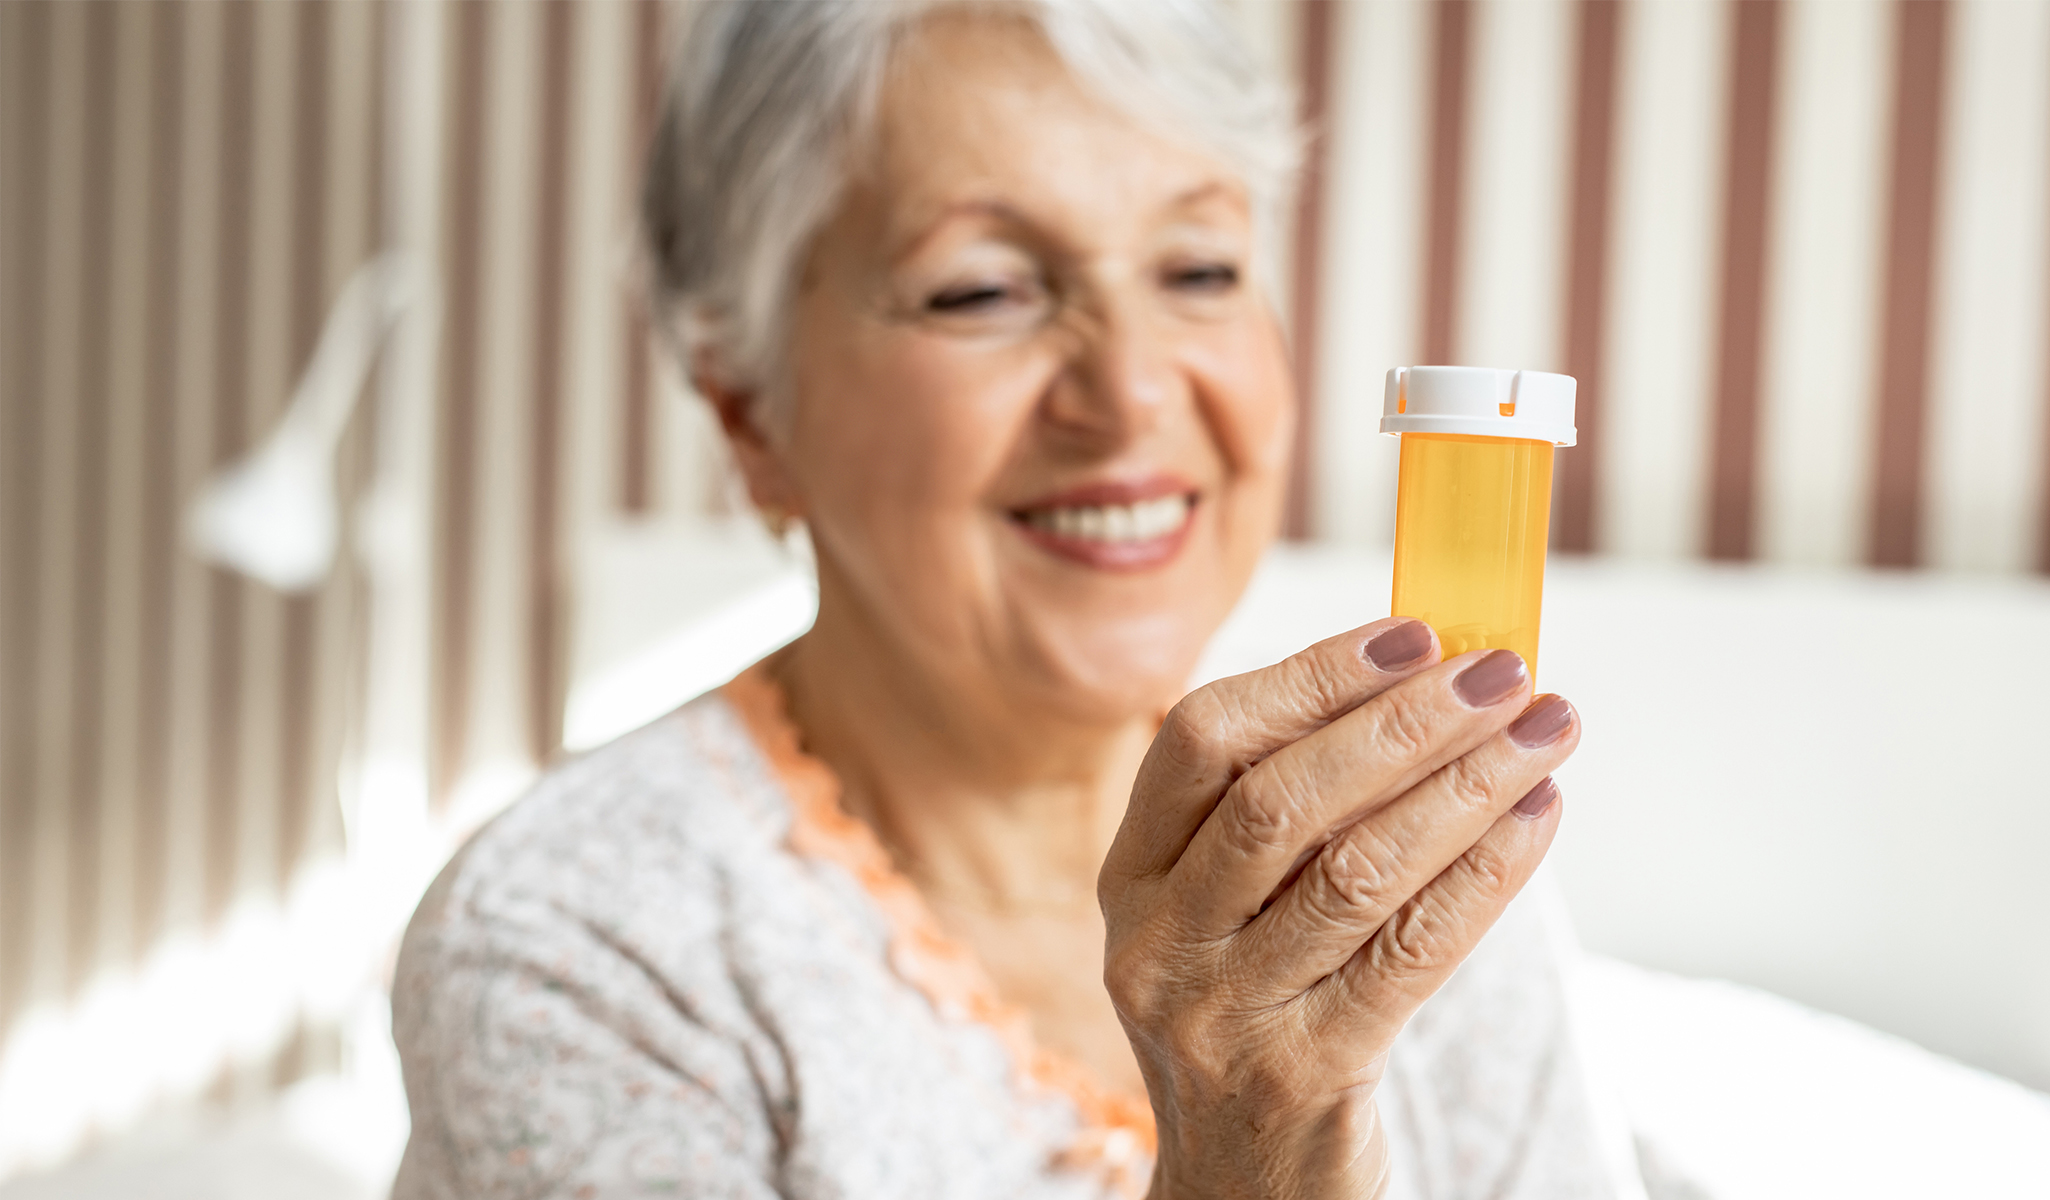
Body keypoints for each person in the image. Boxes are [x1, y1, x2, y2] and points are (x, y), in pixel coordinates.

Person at [390, 2, 1616, 1196]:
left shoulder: (1390, 857)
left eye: (1198, 268)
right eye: (980, 291)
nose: (1131, 392)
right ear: (751, 412)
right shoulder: (576, 944)